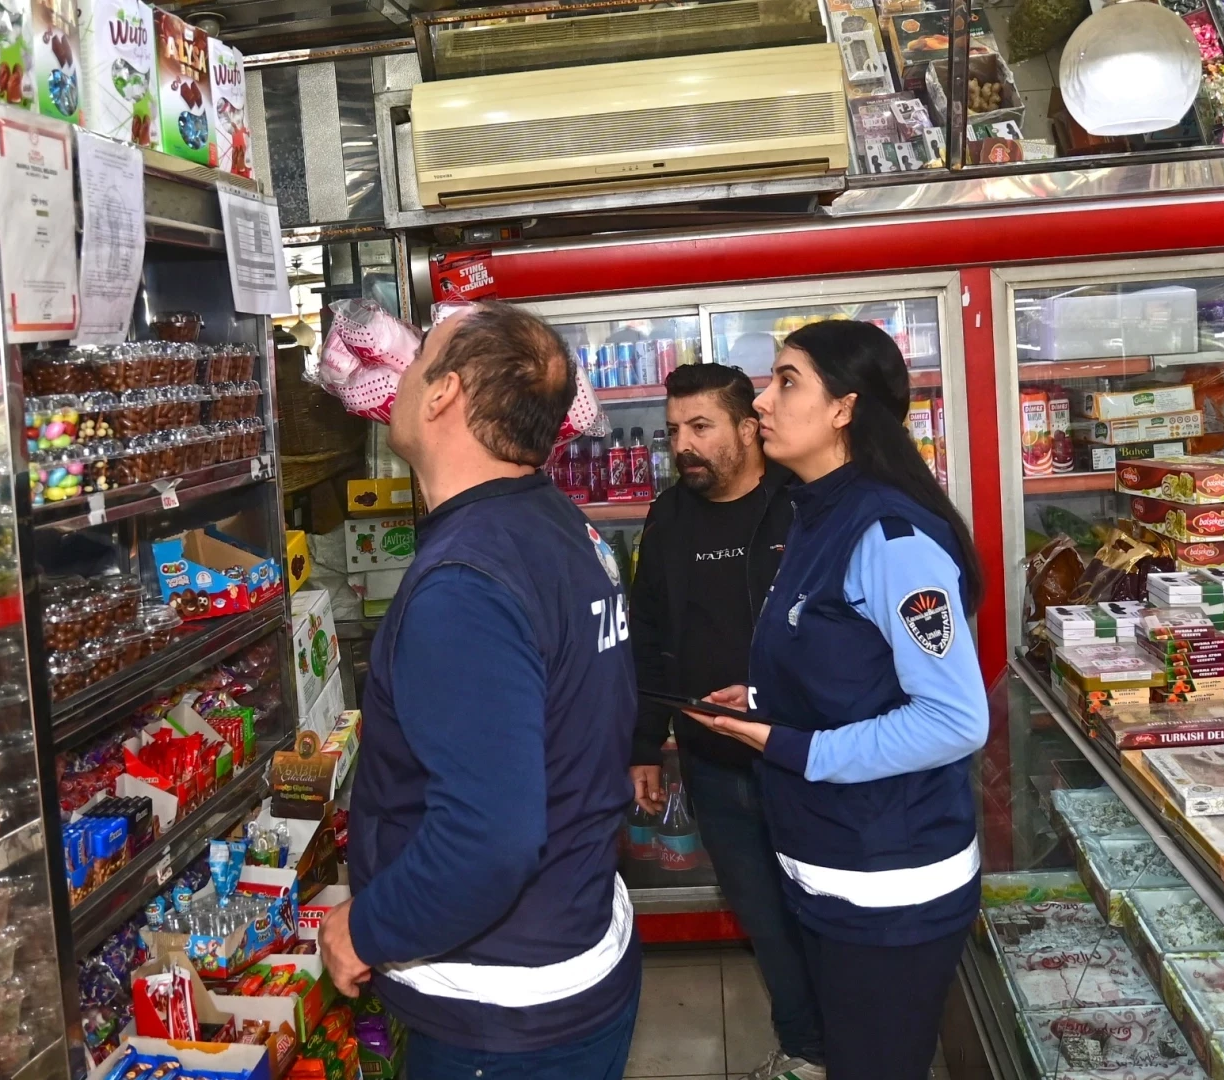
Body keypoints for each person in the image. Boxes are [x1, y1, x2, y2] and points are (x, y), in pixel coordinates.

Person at [317, 302, 643, 1080]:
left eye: (419, 355)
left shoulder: (466, 583)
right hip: (575, 940)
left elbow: (490, 839)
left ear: (441, 395)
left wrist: (367, 928)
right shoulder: (563, 526)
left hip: (500, 1009)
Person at [686, 319, 988, 1080]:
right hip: (827, 864)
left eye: (787, 381)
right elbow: (848, 663)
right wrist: (760, 697)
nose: (762, 399)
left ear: (844, 408)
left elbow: (954, 719)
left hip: (888, 882)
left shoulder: (890, 537)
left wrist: (790, 744)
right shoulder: (813, 514)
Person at [629, 362, 825, 1080]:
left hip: (804, 757)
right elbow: (646, 630)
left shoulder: (803, 504)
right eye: (674, 429)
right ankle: (807, 1053)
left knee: (824, 918)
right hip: (714, 765)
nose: (683, 444)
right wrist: (644, 743)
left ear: (748, 428)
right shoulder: (668, 515)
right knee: (766, 926)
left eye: (700, 427)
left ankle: (856, 1047)